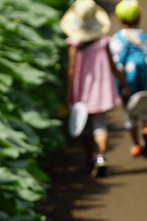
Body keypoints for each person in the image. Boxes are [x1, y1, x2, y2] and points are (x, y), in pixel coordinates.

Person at [62, 0, 130, 177]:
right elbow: (112, 66)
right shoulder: (103, 41)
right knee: (100, 124)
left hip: (81, 89)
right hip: (100, 88)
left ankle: (90, 157)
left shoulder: (74, 43)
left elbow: (71, 70)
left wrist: (68, 93)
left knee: (84, 125)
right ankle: (101, 156)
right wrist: (123, 83)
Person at [110, 0, 147, 157]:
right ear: (140, 16)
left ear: (120, 20)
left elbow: (113, 61)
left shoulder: (117, 38)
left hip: (125, 82)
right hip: (144, 80)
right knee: (145, 105)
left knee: (129, 111)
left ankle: (136, 145)